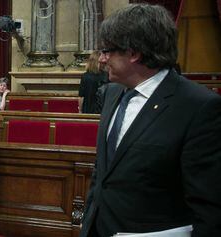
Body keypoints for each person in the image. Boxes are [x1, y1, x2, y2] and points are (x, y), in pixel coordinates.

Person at [80, 4, 221, 237]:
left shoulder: (198, 106)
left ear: (134, 53)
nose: (102, 59)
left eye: (108, 51)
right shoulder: (112, 93)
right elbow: (102, 172)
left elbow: (209, 208)